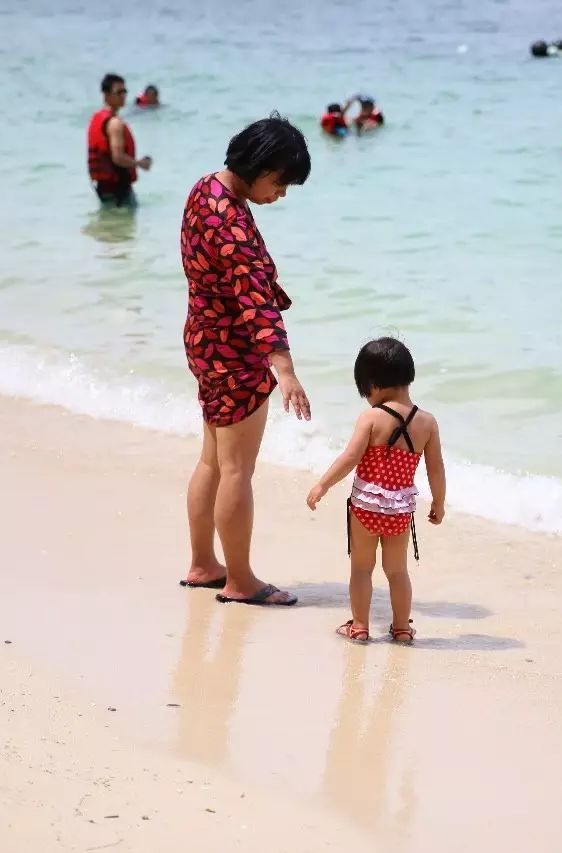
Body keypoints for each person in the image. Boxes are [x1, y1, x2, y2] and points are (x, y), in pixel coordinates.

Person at [178, 114, 312, 607]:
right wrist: (285, 369)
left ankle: (202, 564)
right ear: (258, 167)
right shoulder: (231, 220)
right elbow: (254, 296)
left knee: (212, 458)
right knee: (237, 469)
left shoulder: (205, 188)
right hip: (234, 352)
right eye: (279, 182)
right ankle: (240, 581)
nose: (281, 194)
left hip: (202, 339)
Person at [306, 338, 446, 644]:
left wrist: (322, 484)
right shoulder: (427, 422)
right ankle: (401, 629)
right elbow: (435, 469)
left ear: (373, 384)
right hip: (399, 512)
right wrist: (438, 502)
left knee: (361, 569)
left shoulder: (371, 417)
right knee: (397, 571)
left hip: (366, 506)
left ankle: (359, 626)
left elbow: (350, 458)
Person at [86, 73, 152, 207]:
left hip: (103, 186)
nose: (123, 95)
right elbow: (118, 157)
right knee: (126, 222)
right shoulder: (114, 123)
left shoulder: (98, 117)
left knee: (110, 223)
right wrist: (140, 163)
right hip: (118, 187)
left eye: (125, 91)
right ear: (106, 95)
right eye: (119, 92)